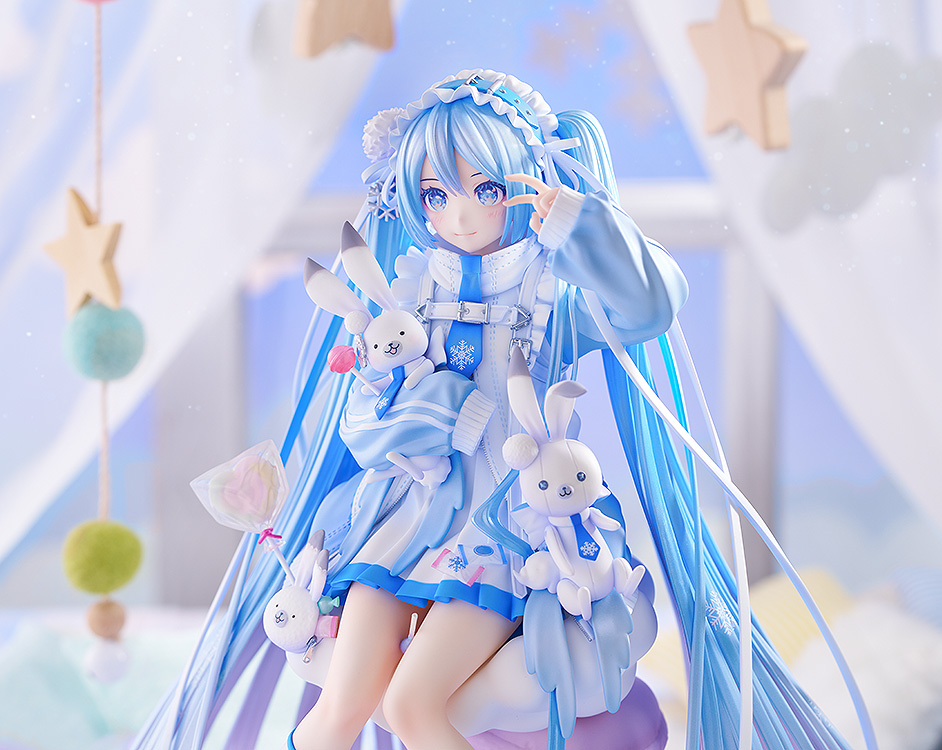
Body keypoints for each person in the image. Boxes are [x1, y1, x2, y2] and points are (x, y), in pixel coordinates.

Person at [134, 70, 872, 750]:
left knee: (414, 708)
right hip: (395, 524)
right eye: (435, 195)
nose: (458, 215)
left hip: (501, 533)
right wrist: (415, 411)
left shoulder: (552, 300)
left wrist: (580, 225)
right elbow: (360, 426)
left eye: (483, 189)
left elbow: (651, 306)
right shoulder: (404, 296)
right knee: (335, 715)